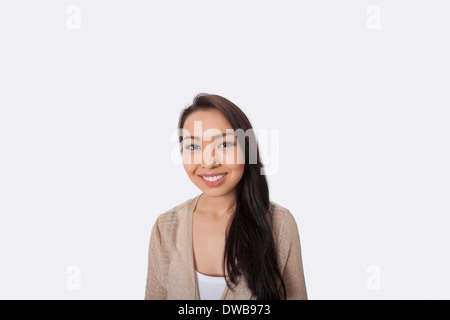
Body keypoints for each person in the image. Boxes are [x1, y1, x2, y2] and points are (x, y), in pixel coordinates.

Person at [145, 93, 307, 300]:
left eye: (224, 144)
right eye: (193, 146)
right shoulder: (166, 226)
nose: (209, 162)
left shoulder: (280, 224)